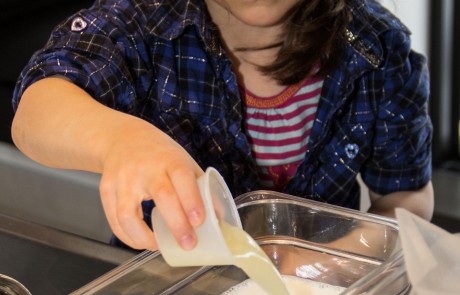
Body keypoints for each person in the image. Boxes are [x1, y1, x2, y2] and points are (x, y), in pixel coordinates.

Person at [11, 0, 434, 252]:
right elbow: (36, 110)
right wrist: (121, 140)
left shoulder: (379, 49)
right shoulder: (141, 22)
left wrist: (333, 259)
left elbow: (406, 197)